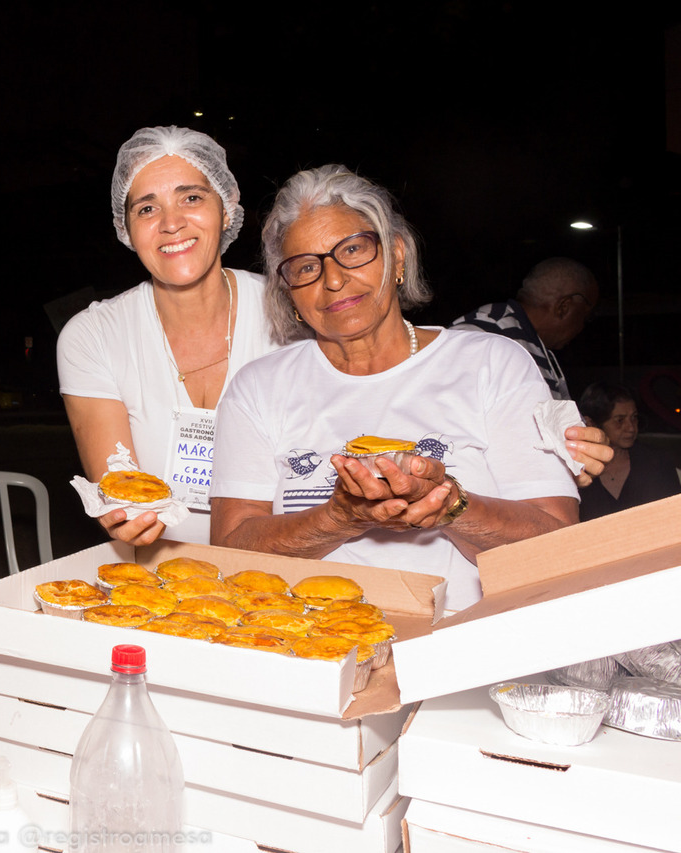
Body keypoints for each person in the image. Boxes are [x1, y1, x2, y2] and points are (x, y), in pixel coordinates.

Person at [210, 166, 581, 611]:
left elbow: (559, 543)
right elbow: (231, 552)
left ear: (398, 255)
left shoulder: (491, 363)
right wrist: (338, 517)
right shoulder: (259, 388)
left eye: (352, 249)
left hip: (464, 646)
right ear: (288, 292)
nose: (333, 280)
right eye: (306, 267)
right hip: (308, 649)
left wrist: (451, 505)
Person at [57, 126, 276, 545]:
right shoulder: (93, 337)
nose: (171, 223)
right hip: (163, 583)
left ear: (227, 207)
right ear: (127, 229)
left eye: (191, 198)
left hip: (289, 576)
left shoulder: (290, 313)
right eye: (146, 208)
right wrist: (124, 516)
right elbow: (121, 493)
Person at [452, 257, 599, 400]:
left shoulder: (535, 346)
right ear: (563, 307)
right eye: (586, 317)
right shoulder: (484, 330)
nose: (581, 328)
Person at [577, 382, 681, 520]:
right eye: (619, 420)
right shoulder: (576, 471)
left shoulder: (656, 463)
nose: (631, 428)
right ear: (591, 423)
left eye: (634, 417)